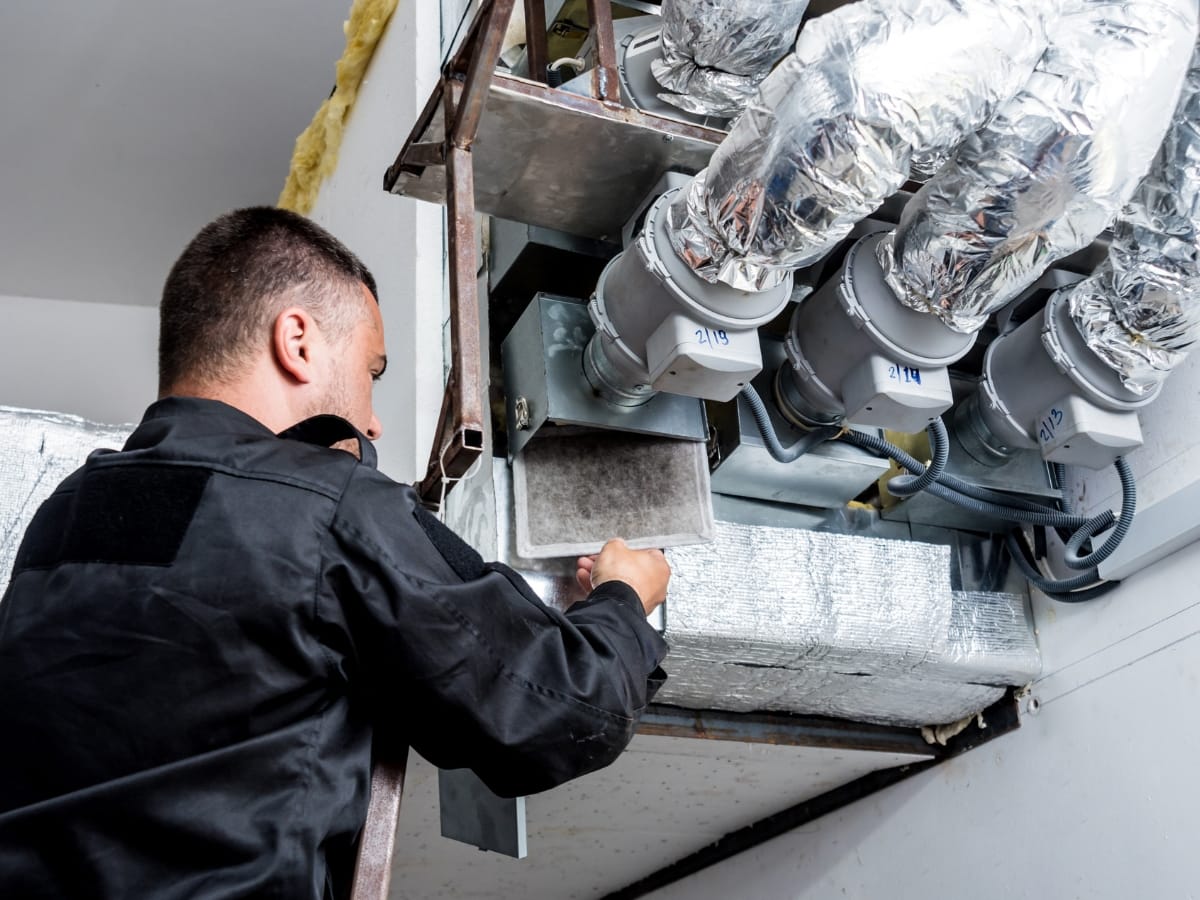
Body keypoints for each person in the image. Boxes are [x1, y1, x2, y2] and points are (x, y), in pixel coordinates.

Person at [0, 207, 670, 899]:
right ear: (298, 341)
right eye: (370, 371)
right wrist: (624, 603)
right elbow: (557, 708)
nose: (373, 419)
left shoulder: (64, 515)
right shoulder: (325, 503)